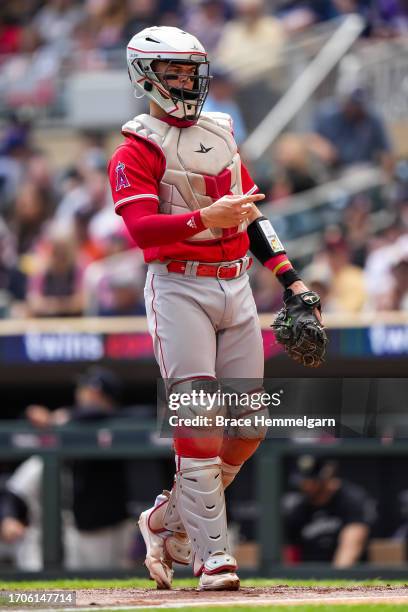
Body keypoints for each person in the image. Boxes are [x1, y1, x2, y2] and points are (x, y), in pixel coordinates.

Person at [108, 25, 322, 591]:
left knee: (249, 427)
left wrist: (292, 281)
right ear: (145, 76)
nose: (185, 81)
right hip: (178, 285)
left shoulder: (221, 130)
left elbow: (252, 213)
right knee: (199, 417)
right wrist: (205, 219)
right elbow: (140, 230)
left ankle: (162, 521)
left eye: (190, 70)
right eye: (173, 71)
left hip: (237, 286)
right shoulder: (135, 146)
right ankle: (213, 559)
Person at [283, 456, 375, 566]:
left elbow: (351, 547)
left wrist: (335, 580)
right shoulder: (300, 506)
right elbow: (289, 550)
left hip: (346, 576)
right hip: (308, 576)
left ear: (327, 475)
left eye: (311, 481)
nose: (305, 485)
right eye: (303, 481)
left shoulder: (350, 498)